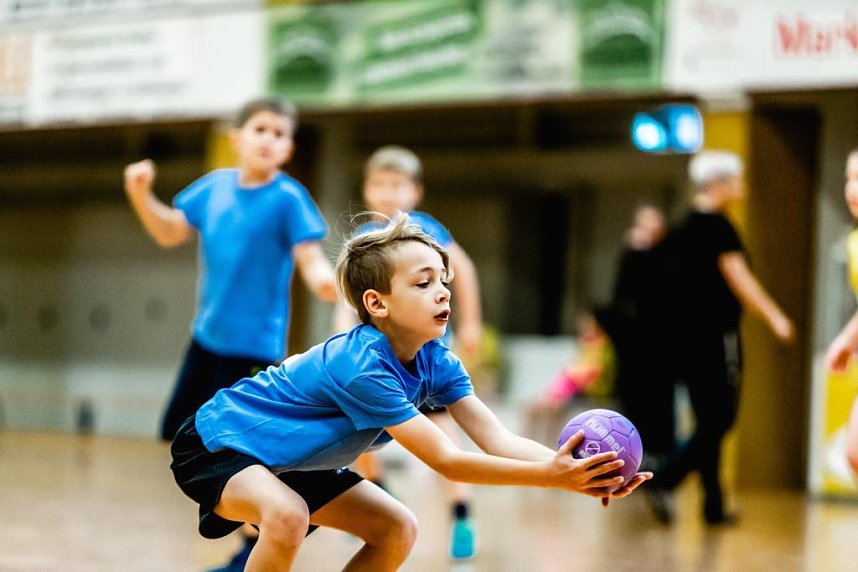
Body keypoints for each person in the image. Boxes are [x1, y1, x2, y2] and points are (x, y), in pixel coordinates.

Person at [170, 212, 652, 571]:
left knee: (397, 529)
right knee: (287, 514)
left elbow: (497, 440)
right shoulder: (361, 365)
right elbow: (446, 459)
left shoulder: (437, 362)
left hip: (292, 460)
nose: (443, 292)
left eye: (444, 281)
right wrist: (552, 477)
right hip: (220, 443)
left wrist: (577, 469)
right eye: (423, 283)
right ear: (377, 304)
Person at [123, 96, 337, 571]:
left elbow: (310, 258)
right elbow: (169, 232)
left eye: (280, 134)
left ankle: (252, 546)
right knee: (183, 438)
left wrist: (328, 282)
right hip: (205, 343)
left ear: (288, 147)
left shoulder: (287, 198)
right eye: (261, 129)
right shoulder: (213, 188)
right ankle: (249, 527)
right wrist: (141, 194)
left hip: (254, 353)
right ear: (237, 138)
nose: (270, 139)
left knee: (239, 450)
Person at [332, 145, 483, 559]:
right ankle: (375, 499)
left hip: (423, 357)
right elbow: (346, 300)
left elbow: (463, 270)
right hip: (377, 361)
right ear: (366, 191)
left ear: (414, 192)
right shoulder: (364, 240)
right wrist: (340, 339)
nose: (387, 193)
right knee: (357, 436)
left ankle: (462, 515)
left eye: (396, 185)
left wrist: (470, 322)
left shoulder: (426, 230)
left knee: (444, 440)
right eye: (379, 184)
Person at [646, 151, 795, 526]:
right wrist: (776, 318)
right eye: (737, 179)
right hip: (715, 339)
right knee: (720, 420)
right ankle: (665, 477)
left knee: (706, 420)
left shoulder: (682, 227)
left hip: (683, 342)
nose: (742, 187)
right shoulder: (718, 228)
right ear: (717, 182)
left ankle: (712, 505)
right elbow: (740, 279)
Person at [603, 205, 674, 470]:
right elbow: (621, 296)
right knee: (632, 401)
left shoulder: (668, 257)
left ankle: (659, 459)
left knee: (659, 405)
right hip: (633, 348)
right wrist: (635, 252)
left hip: (660, 347)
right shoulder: (631, 256)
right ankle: (628, 455)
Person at [523, 309, 616, 447]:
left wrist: (571, 377)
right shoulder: (585, 345)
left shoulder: (604, 346)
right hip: (571, 391)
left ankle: (550, 448)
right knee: (531, 408)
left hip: (588, 394)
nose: (584, 328)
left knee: (552, 410)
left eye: (588, 325)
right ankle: (529, 445)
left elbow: (589, 373)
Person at [825, 148, 858, 475]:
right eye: (849, 178)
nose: (852, 188)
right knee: (854, 452)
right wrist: (847, 341)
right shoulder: (854, 243)